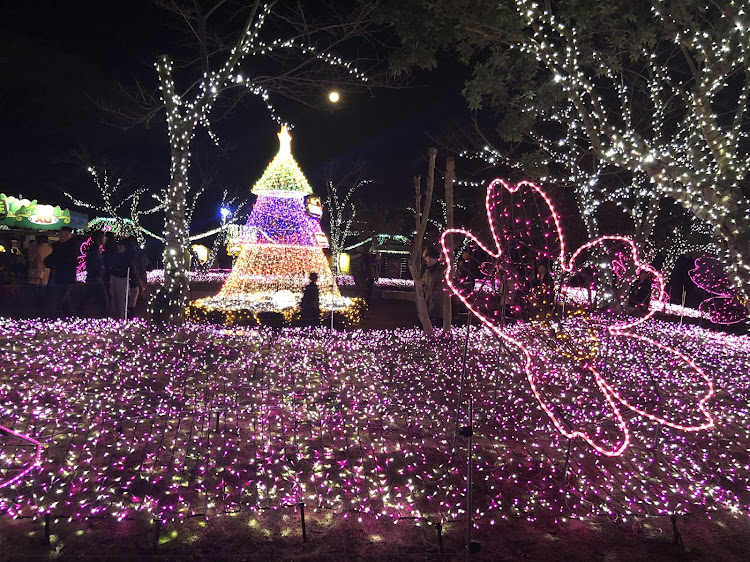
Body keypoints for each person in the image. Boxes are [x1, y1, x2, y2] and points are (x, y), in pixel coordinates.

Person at [43, 226, 79, 317]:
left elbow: (70, 261)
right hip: (58, 276)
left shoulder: (71, 247)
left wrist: (55, 261)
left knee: (59, 300)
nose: (61, 237)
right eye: (60, 235)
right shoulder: (58, 246)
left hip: (66, 277)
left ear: (68, 236)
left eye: (64, 235)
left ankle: (56, 319)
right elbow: (50, 259)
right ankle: (72, 318)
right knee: (63, 301)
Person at [78, 231, 109, 317]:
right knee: (104, 302)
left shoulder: (94, 248)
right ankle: (104, 320)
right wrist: (101, 268)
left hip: (93, 278)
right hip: (96, 279)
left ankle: (77, 315)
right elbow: (94, 265)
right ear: (100, 238)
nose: (105, 239)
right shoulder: (95, 250)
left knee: (87, 299)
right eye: (104, 237)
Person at [421, 246, 447, 324]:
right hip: (429, 309)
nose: (426, 261)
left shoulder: (441, 272)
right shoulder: (428, 272)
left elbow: (439, 292)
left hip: (438, 311)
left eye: (427, 258)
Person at [28, 234, 53, 303]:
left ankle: (38, 301)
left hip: (37, 269)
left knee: (36, 286)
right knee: (44, 286)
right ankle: (43, 300)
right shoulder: (50, 248)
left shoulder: (37, 248)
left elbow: (31, 258)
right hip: (47, 270)